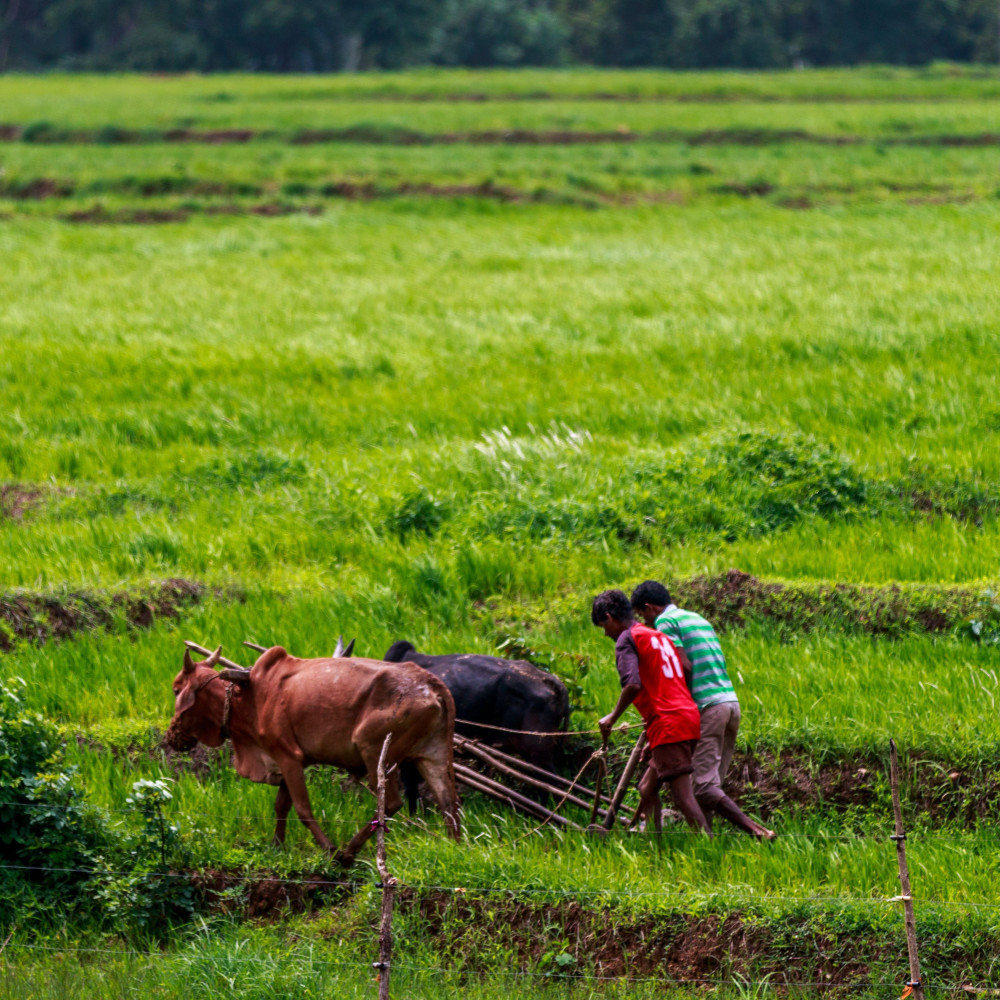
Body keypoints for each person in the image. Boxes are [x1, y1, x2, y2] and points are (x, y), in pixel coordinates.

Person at [630, 580, 775, 840]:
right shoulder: (697, 618)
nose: (648, 624)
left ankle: (758, 832)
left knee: (704, 788)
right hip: (729, 704)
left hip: (706, 707)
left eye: (644, 617)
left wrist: (673, 705)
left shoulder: (665, 623)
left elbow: (683, 667)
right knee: (706, 787)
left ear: (650, 608)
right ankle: (707, 846)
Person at [591, 589, 711, 835]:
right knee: (647, 788)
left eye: (603, 626)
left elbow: (633, 684)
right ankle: (656, 843)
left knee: (682, 797)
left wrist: (612, 717)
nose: (605, 633)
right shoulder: (655, 635)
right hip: (685, 717)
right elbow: (673, 677)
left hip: (669, 723)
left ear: (609, 617)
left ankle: (709, 844)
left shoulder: (627, 639)